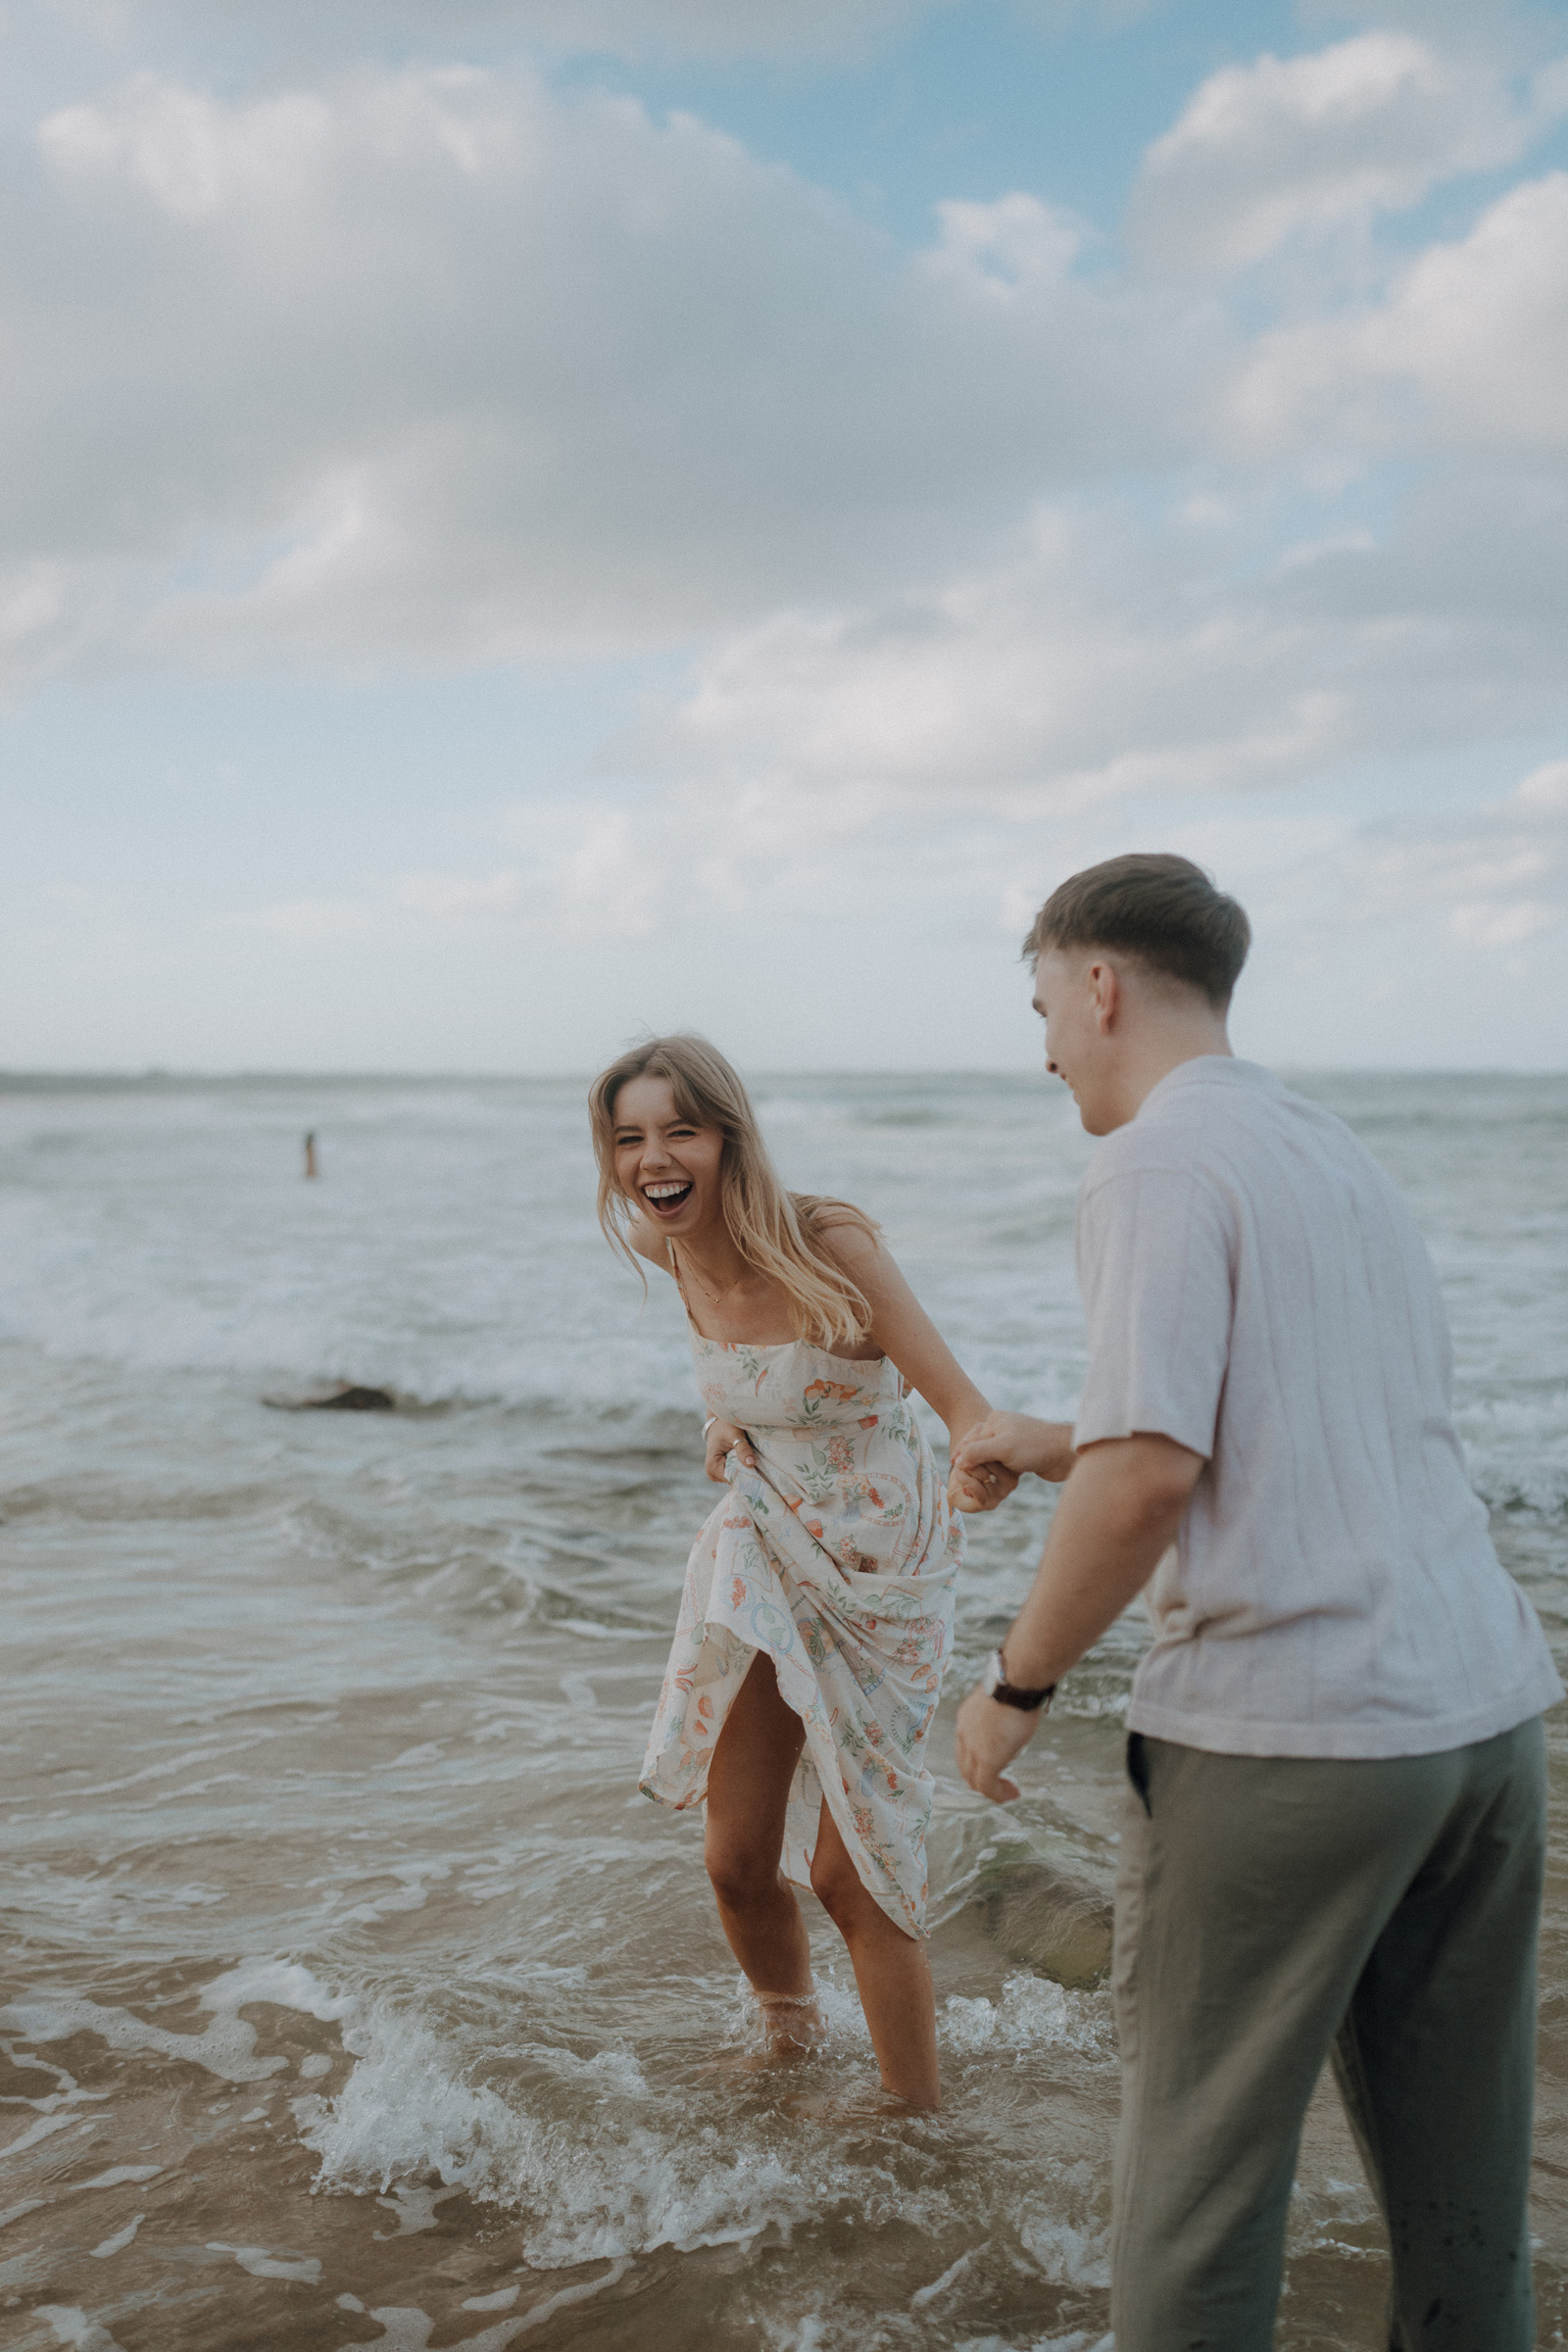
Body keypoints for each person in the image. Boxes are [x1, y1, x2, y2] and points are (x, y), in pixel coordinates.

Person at [950, 854, 1562, 2349]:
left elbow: (1152, 1476)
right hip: (1481, 1724)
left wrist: (1015, 1683)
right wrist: (1054, 1442)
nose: (1041, 1049)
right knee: (1464, 2206)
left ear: (1100, 986)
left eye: (1041, 1005)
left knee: (1199, 2197)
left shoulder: (1153, 1159)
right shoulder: (1334, 1150)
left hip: (1293, 1738)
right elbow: (1305, 1422)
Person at [589, 1035, 1072, 2109]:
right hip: (762, 1541)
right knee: (733, 1858)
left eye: (679, 1131)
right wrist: (720, 1428)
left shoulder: (825, 1239)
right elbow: (739, 1383)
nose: (653, 1158)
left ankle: (912, 2120)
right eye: (629, 1137)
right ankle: (790, 2042)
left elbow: (959, 1406)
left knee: (849, 1873)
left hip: (875, 1567)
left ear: (727, 1136)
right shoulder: (670, 1252)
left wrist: (991, 1463)